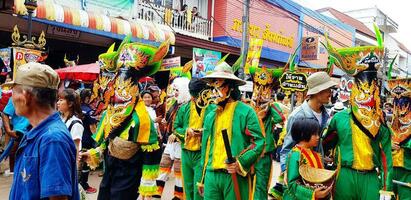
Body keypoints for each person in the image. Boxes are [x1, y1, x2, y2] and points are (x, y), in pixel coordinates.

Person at [80, 39, 168, 199]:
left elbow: (152, 153)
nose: (120, 92)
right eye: (118, 86)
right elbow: (107, 140)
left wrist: (147, 186)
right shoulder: (110, 112)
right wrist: (94, 153)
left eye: (125, 86)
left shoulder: (141, 118)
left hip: (129, 174)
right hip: (110, 171)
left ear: (135, 89)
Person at [322, 26, 393, 200]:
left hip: (370, 177)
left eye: (372, 88)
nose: (367, 93)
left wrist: (386, 188)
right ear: (354, 90)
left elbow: (386, 160)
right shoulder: (338, 119)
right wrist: (326, 161)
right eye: (362, 88)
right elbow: (325, 143)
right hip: (345, 176)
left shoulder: (380, 125)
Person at [5, 62, 79, 199]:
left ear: (26, 95)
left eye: (13, 92)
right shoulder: (36, 132)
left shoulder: (52, 139)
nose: (12, 98)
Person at [198, 62, 265, 200]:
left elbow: (258, 142)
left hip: (235, 174)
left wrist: (240, 162)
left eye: (218, 84)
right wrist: (203, 177)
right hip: (211, 175)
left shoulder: (246, 112)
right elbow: (205, 149)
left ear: (229, 87)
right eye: (212, 85)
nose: (214, 90)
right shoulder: (210, 115)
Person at [280, 71, 337, 172]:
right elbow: (287, 149)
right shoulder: (297, 116)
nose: (330, 94)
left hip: (317, 169)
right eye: (328, 90)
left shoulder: (325, 114)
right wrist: (286, 175)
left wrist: (321, 158)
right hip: (301, 174)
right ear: (318, 92)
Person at [173, 78, 215, 200]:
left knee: (199, 188)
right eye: (193, 95)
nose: (195, 98)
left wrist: (204, 133)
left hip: (202, 154)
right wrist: (187, 132)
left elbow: (216, 130)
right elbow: (176, 128)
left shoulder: (212, 109)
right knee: (188, 186)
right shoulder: (184, 108)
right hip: (186, 153)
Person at [249, 66, 285, 200]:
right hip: (249, 151)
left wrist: (271, 105)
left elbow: (280, 119)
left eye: (265, 89)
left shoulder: (270, 109)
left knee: (261, 185)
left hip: (264, 152)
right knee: (248, 183)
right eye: (258, 88)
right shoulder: (248, 106)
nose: (260, 94)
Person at [155, 77, 190, 200]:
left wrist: (176, 134)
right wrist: (166, 123)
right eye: (174, 89)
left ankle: (178, 197)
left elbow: (188, 126)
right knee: (163, 167)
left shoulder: (188, 106)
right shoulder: (174, 104)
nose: (174, 92)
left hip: (181, 144)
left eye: (177, 90)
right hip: (169, 143)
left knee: (178, 173)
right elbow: (172, 121)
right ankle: (156, 194)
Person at [283, 118, 333, 200]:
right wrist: (312, 194)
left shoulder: (315, 154)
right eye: (315, 134)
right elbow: (292, 184)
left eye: (318, 134)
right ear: (303, 134)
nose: (318, 137)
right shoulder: (295, 155)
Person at [387, 78, 411, 199]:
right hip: (390, 168)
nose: (400, 108)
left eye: (404, 104)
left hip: (408, 170)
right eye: (396, 102)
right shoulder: (389, 126)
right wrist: (387, 144)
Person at [1, 97, 31, 176]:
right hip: (19, 131)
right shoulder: (15, 98)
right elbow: (5, 113)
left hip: (34, 131)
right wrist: (8, 130)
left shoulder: (38, 95)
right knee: (14, 152)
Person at [78, 88, 98, 194]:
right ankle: (84, 185)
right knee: (86, 163)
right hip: (87, 140)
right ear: (87, 98)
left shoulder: (78, 108)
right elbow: (92, 128)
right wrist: (97, 140)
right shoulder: (90, 111)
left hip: (78, 138)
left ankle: (79, 184)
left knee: (78, 163)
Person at [57, 89, 84, 162]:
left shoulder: (76, 123)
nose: (58, 103)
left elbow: (76, 149)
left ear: (70, 104)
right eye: (58, 100)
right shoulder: (60, 118)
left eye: (61, 100)